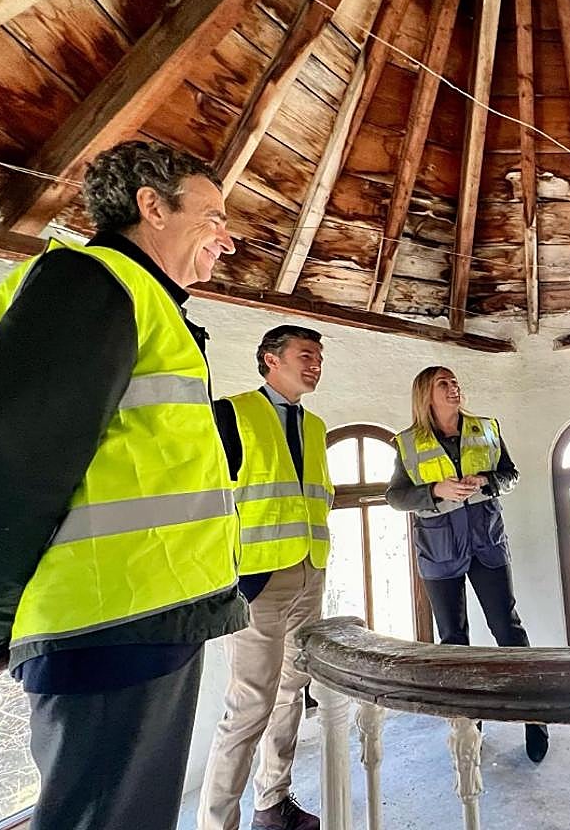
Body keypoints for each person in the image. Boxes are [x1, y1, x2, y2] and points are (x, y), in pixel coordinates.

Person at [0, 140, 245, 830]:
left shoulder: (149, 308)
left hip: (145, 622)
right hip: (108, 630)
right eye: (213, 215)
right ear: (151, 207)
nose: (227, 237)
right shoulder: (91, 282)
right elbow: (4, 468)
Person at [199, 325, 332, 830]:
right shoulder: (232, 414)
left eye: (319, 357)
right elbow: (205, 501)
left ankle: (272, 803)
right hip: (255, 583)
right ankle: (216, 823)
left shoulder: (316, 427)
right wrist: (229, 579)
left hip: (309, 575)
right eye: (306, 355)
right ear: (269, 360)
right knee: (249, 705)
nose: (315, 363)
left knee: (290, 692)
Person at [385, 366, 548, 763]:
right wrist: (434, 490)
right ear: (426, 394)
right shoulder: (407, 443)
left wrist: (488, 482)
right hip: (439, 550)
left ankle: (534, 716)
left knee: (507, 629)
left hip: (486, 544)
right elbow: (395, 496)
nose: (454, 387)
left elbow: (511, 475)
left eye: (455, 381)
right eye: (444, 384)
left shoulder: (486, 428)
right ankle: (467, 724)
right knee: (453, 640)